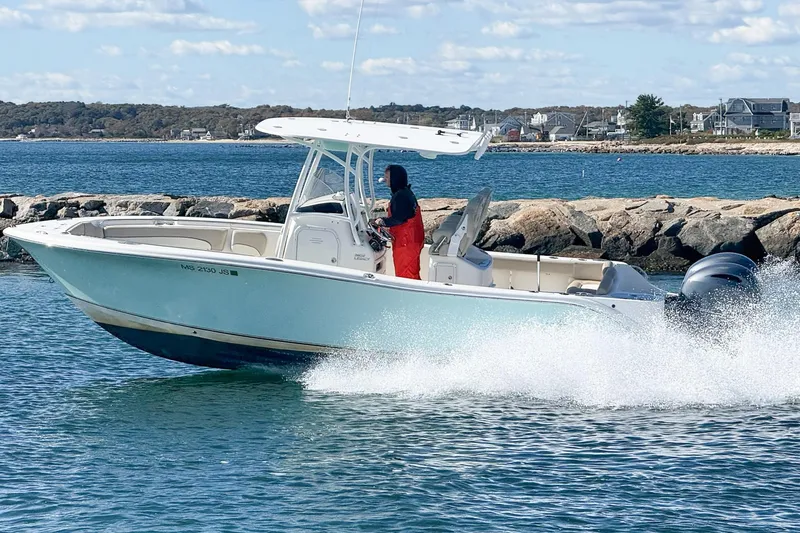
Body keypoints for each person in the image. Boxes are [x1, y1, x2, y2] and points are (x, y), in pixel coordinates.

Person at [372, 164, 425, 280]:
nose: (385, 179)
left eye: (387, 177)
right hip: (412, 240)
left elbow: (399, 218)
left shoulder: (400, 196)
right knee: (411, 271)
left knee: (405, 275)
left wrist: (382, 221)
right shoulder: (406, 193)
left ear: (395, 178)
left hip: (406, 242)